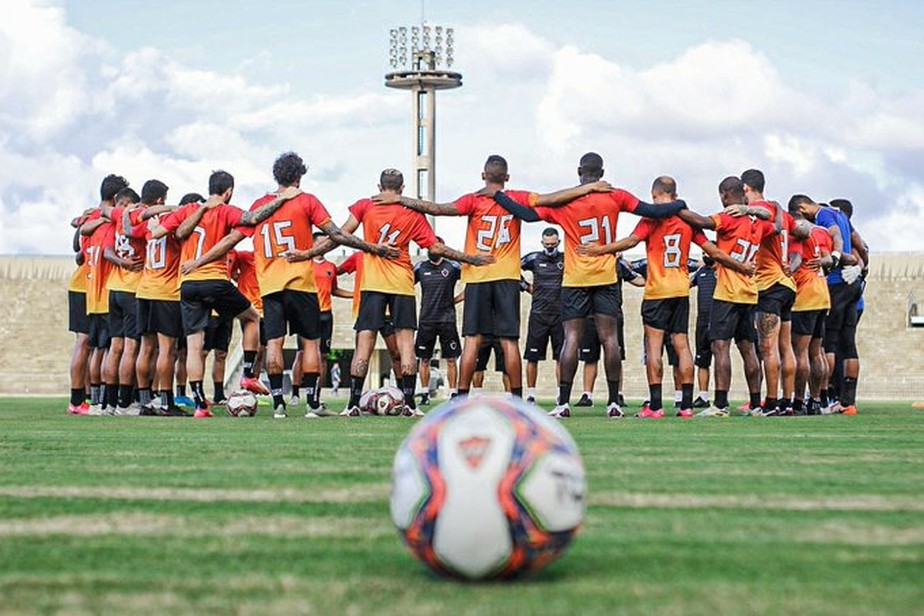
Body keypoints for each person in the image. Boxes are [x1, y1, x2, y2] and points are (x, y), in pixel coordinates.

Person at [375, 154, 606, 399]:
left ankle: (461, 396)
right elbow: (553, 198)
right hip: (507, 277)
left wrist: (399, 199)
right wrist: (588, 187)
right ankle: (517, 398)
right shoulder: (516, 197)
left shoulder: (473, 200)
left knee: (472, 340)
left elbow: (438, 209)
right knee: (509, 342)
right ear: (507, 177)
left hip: (477, 277)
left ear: (483, 176)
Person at [492, 153, 688, 418]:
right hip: (606, 277)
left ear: (578, 172)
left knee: (571, 338)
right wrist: (681, 203)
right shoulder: (616, 195)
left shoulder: (565, 202)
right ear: (602, 171)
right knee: (610, 340)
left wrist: (499, 195)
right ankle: (613, 403)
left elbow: (526, 215)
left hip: (575, 279)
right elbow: (654, 211)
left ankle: (563, 403)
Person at [300, 168, 490, 417]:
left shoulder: (365, 206)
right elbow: (436, 247)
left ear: (379, 186)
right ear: (402, 189)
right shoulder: (412, 213)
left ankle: (352, 404)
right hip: (402, 284)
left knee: (363, 347)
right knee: (406, 347)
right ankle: (410, 404)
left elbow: (339, 236)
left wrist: (308, 254)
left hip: (372, 285)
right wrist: (470, 258)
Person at [579, 175, 752, 418]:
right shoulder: (687, 218)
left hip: (657, 291)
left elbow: (631, 241)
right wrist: (740, 266)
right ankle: (688, 406)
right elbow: (713, 251)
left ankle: (656, 406)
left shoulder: (652, 217)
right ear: (675, 194)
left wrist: (601, 250)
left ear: (655, 195)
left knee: (654, 347)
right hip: (681, 290)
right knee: (683, 346)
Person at [155, 171, 292, 417]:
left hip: (187, 284)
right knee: (251, 318)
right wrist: (280, 200)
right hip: (214, 280)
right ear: (228, 191)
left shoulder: (188, 210)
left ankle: (199, 406)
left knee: (194, 347)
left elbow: (163, 233)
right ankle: (248, 375)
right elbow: (252, 218)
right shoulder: (226, 210)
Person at [676, 176, 774, 417]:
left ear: (723, 194)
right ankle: (755, 404)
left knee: (720, 348)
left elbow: (700, 221)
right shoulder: (758, 221)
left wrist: (676, 207)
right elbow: (777, 222)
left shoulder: (730, 217)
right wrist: (756, 211)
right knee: (748, 350)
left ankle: (720, 405)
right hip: (749, 293)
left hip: (728, 292)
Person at [789, 196, 867, 415]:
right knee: (846, 344)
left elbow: (832, 239)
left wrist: (832, 257)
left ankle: (821, 398)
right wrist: (861, 268)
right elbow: (859, 246)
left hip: (826, 286)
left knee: (822, 347)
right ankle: (844, 401)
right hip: (848, 284)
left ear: (801, 210)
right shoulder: (841, 216)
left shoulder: (822, 217)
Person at [126, 179, 185, 416]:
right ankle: (166, 402)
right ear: (161, 200)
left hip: (144, 290)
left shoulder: (145, 220)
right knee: (167, 349)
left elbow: (129, 228)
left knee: (146, 348)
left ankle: (144, 402)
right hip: (166, 292)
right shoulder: (171, 221)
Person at [742, 169, 796, 416]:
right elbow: (803, 234)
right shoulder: (781, 212)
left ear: (745, 188)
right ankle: (788, 402)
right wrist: (791, 266)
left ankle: (771, 403)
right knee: (787, 348)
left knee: (767, 348)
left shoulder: (759, 212)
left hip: (769, 285)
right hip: (787, 285)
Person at [290, 233, 352, 407]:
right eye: (322, 241)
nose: (326, 244)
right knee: (302, 353)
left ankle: (316, 393)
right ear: (314, 244)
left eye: (328, 241)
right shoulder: (303, 263)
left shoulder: (330, 266)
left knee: (323, 356)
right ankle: (295, 393)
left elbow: (335, 290)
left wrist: (354, 295)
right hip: (307, 313)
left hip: (326, 315)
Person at [576, 258, 644, 407]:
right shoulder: (587, 263)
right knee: (589, 357)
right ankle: (587, 395)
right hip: (589, 315)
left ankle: (617, 394)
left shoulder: (618, 265)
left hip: (612, 316)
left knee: (615, 356)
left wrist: (654, 274)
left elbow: (638, 280)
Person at [785, 208, 833, 416]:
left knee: (800, 352)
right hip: (822, 293)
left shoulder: (796, 235)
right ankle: (815, 400)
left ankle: (797, 401)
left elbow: (795, 260)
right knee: (816, 352)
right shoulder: (820, 233)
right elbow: (827, 258)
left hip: (805, 296)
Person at [414, 236, 463, 404]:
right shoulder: (420, 267)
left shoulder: (453, 267)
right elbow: (404, 285)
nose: (432, 249)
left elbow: (472, 282)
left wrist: (455, 299)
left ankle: (453, 394)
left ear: (443, 248)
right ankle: (425, 394)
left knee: (451, 359)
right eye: (430, 246)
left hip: (447, 320)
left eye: (436, 246)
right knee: (424, 359)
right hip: (426, 320)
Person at [521, 228, 564, 404]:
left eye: (553, 245)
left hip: (560, 315)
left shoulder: (565, 259)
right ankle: (531, 393)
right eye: (547, 245)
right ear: (542, 244)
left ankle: (562, 393)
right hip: (538, 314)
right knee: (532, 357)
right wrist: (526, 286)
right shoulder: (533, 258)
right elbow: (512, 267)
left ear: (559, 243)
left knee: (561, 357)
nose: (550, 248)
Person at [690, 255, 717, 408]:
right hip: (702, 322)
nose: (704, 255)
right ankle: (703, 396)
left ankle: (721, 395)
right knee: (702, 360)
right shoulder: (700, 272)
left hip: (719, 321)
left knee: (720, 358)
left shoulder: (722, 271)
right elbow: (687, 284)